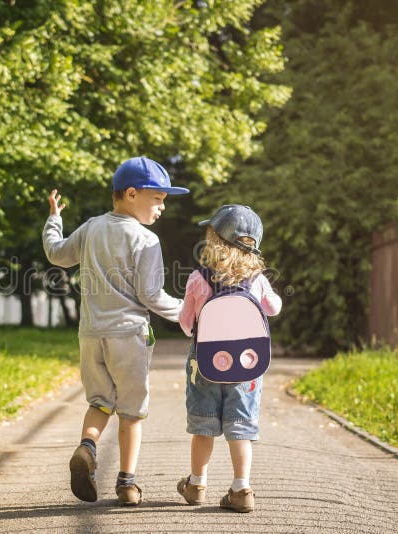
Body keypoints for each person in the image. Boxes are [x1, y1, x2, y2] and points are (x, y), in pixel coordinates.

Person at [42, 156, 189, 506]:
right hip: (129, 337)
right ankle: (127, 484)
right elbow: (150, 295)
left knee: (100, 402)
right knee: (131, 411)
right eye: (158, 199)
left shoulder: (92, 227)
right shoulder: (146, 240)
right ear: (132, 194)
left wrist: (54, 219)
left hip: (91, 336)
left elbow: (56, 254)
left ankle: (87, 447)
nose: (162, 207)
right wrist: (190, 314)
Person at [175, 204, 282, 513]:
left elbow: (185, 322)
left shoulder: (199, 278)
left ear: (214, 239)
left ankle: (196, 484)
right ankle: (241, 488)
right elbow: (273, 308)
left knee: (203, 427)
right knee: (240, 428)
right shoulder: (257, 279)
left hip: (206, 362)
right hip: (247, 366)